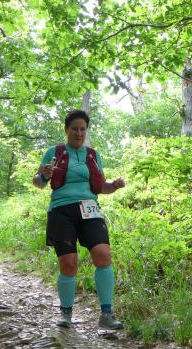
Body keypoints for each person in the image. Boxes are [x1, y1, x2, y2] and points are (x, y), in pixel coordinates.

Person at [32, 109, 126, 329]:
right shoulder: (54, 152)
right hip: (61, 211)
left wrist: (114, 185)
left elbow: (100, 187)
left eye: (83, 129)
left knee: (103, 254)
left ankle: (106, 314)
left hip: (89, 209)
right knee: (68, 263)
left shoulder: (93, 155)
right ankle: (66, 314)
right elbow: (38, 182)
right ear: (66, 130)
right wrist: (44, 174)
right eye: (74, 129)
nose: (79, 133)